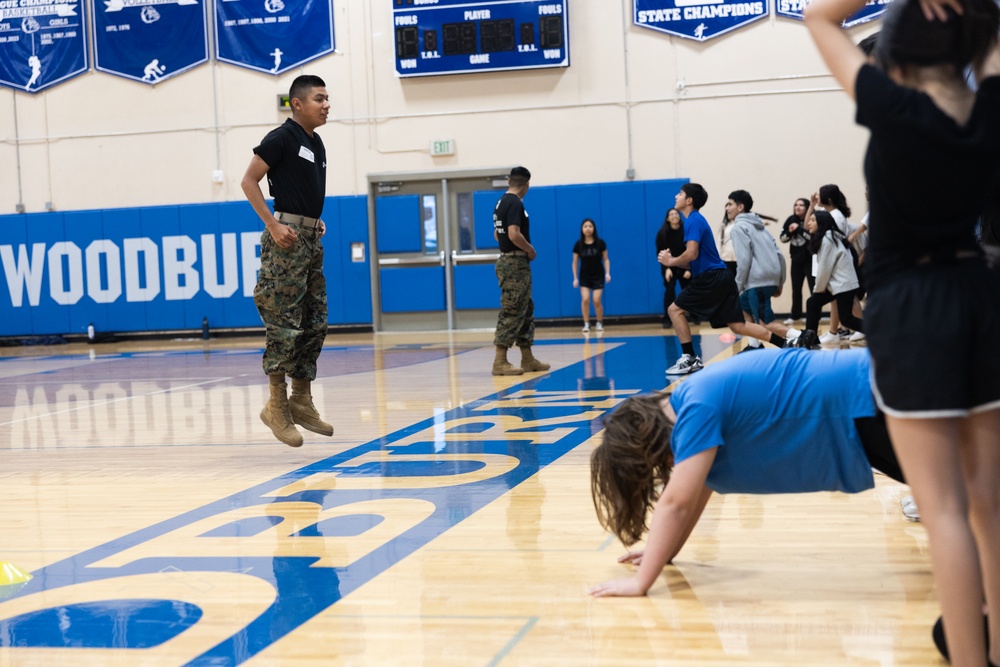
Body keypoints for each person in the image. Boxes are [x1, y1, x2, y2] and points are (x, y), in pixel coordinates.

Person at [805, 0, 1000, 665]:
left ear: (893, 55)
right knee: (990, 510)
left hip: (912, 307)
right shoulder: (990, 103)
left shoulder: (891, 105)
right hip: (980, 296)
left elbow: (817, 16)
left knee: (942, 508)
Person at [588, 348, 906, 598]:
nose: (665, 468)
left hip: (864, 398)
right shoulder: (692, 402)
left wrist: (642, 582)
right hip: (857, 408)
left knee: (949, 491)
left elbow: (676, 503)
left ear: (645, 429)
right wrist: (664, 551)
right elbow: (696, 494)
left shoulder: (696, 407)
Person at [241, 74, 335, 449]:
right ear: (297, 104)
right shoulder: (281, 138)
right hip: (286, 242)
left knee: (315, 322)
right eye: (319, 99)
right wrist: (273, 224)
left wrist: (313, 220)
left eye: (327, 99)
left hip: (309, 240)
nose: (326, 105)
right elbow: (249, 181)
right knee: (284, 323)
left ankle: (301, 398)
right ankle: (276, 405)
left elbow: (301, 191)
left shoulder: (317, 143)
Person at [657, 183, 800, 375]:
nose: (676, 196)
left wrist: (671, 261)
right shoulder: (696, 220)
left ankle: (689, 357)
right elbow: (694, 261)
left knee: (674, 309)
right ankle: (785, 344)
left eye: (680, 193)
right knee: (737, 325)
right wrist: (674, 262)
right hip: (721, 276)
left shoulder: (692, 220)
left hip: (711, 278)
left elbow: (690, 254)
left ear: (689, 200)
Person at [726, 190, 811, 351]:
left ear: (740, 207)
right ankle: (754, 344)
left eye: (730, 204)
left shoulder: (738, 228)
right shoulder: (761, 227)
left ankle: (800, 335)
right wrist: (779, 281)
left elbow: (744, 260)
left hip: (757, 281)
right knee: (744, 307)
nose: (727, 208)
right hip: (769, 278)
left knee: (765, 322)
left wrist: (737, 286)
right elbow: (779, 255)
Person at [492, 166, 550, 376]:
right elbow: (513, 234)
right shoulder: (515, 203)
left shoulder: (500, 203)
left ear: (509, 181)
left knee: (525, 308)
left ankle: (527, 358)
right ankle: (500, 360)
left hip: (508, 261)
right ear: (527, 185)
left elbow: (497, 235)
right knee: (513, 308)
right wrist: (530, 250)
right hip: (515, 263)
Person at [803, 209, 865, 342]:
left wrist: (817, 289)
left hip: (844, 285)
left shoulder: (827, 239)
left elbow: (825, 269)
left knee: (847, 319)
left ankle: (877, 330)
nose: (809, 223)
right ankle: (810, 339)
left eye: (813, 220)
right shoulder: (831, 236)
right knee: (813, 303)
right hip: (839, 285)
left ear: (821, 223)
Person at [572, 218, 611, 333]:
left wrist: (607, 273)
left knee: (596, 299)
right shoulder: (578, 245)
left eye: (590, 226)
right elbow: (574, 262)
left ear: (594, 228)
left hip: (598, 275)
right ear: (582, 229)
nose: (588, 228)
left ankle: (599, 322)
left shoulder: (600, 243)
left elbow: (606, 259)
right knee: (585, 299)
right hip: (584, 276)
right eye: (585, 226)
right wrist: (575, 278)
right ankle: (586, 323)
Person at [780, 197, 814, 322]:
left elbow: (813, 238)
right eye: (796, 205)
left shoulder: (812, 219)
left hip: (810, 259)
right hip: (796, 259)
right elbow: (782, 238)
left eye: (801, 205)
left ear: (807, 207)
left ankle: (814, 315)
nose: (797, 207)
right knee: (796, 289)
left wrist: (799, 229)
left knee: (813, 288)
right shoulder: (790, 219)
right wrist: (790, 232)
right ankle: (796, 315)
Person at [655, 208, 690, 328]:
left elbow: (690, 251)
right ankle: (667, 318)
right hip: (669, 266)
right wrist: (666, 268)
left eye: (676, 213)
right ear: (668, 218)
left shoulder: (686, 231)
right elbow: (660, 253)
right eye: (671, 214)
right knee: (669, 290)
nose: (674, 216)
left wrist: (688, 269)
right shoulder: (663, 233)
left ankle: (694, 315)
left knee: (689, 289)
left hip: (684, 265)